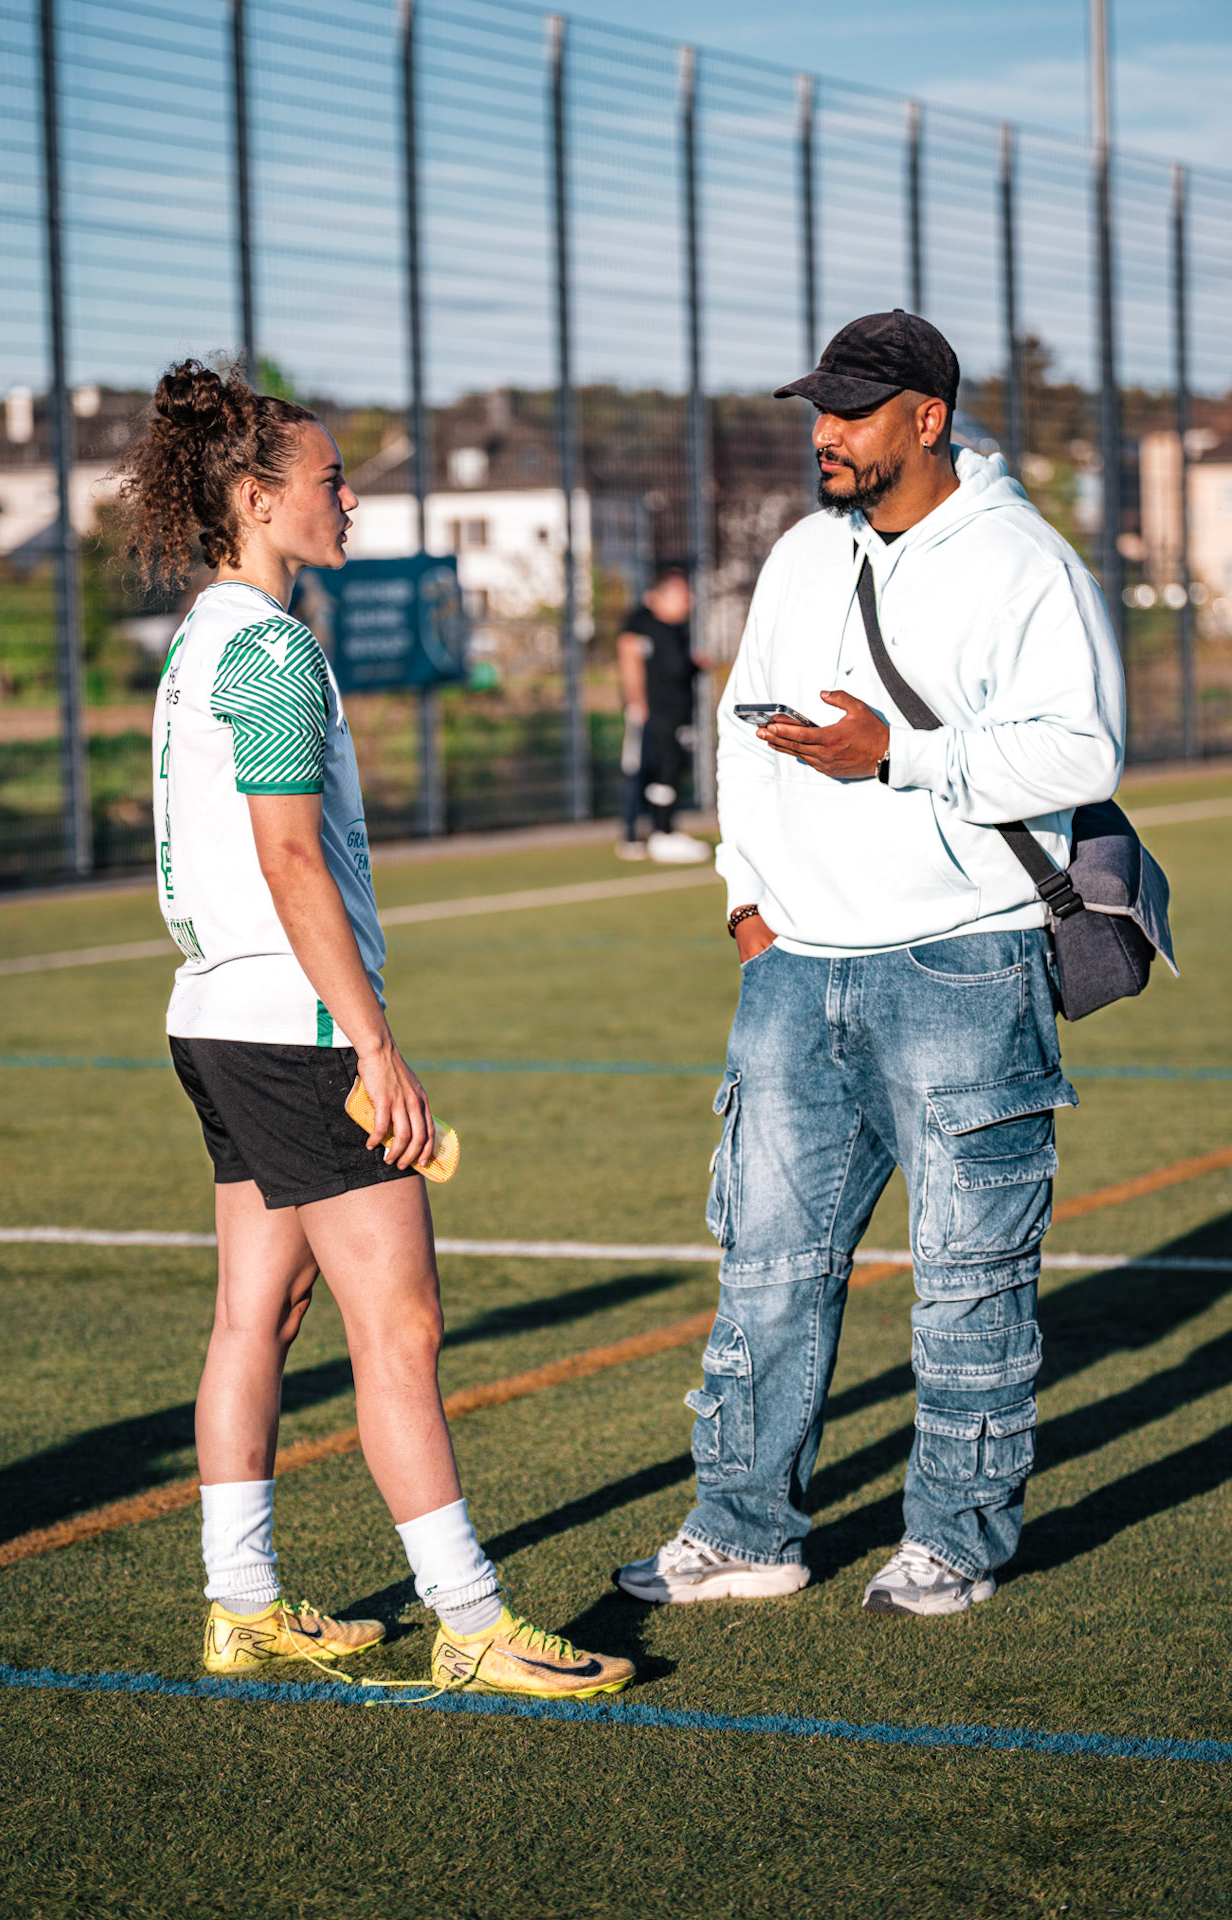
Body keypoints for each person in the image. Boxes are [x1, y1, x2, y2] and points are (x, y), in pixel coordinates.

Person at [121, 359, 632, 1698]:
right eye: (331, 478)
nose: (352, 497)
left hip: (214, 1024)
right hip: (290, 1033)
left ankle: (242, 1607)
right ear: (253, 496)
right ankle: (468, 1619)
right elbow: (291, 861)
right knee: (398, 1327)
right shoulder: (272, 649)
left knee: (257, 1313)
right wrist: (374, 1045)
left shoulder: (198, 643)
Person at [617, 310, 1124, 1616]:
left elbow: (1081, 753)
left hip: (964, 966)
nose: (824, 434)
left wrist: (897, 756)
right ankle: (744, 1531)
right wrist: (745, 900)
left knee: (966, 1287)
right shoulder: (799, 553)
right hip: (794, 970)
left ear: (926, 417)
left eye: (849, 410)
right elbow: (743, 726)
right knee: (764, 1278)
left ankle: (951, 1541)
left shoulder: (1022, 562)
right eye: (816, 411)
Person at [615, 563, 712, 865]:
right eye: (683, 594)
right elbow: (629, 657)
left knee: (669, 771)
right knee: (643, 771)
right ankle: (643, 833)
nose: (689, 601)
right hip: (655, 715)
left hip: (676, 715)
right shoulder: (643, 623)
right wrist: (636, 702)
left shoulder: (675, 630)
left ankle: (663, 831)